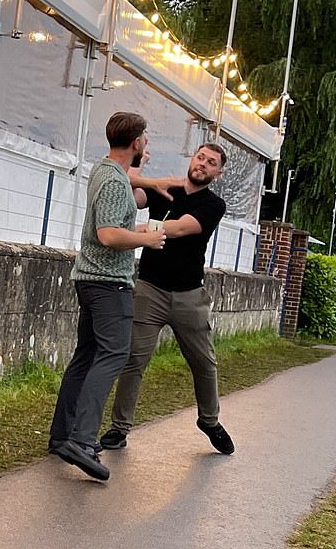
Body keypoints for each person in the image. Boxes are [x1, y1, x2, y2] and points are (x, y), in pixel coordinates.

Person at [48, 112, 181, 481]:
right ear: (136, 141)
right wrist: (147, 239)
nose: (147, 146)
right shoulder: (111, 178)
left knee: (87, 356)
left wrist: (139, 219)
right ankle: (82, 440)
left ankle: (62, 437)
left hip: (94, 282)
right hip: (108, 283)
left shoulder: (111, 173)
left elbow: (130, 203)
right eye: (146, 140)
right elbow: (107, 234)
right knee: (112, 356)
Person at [99, 143, 235, 455]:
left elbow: (181, 228)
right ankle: (119, 429)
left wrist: (139, 231)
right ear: (193, 159)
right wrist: (140, 165)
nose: (203, 164)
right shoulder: (165, 188)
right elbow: (132, 194)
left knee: (204, 362)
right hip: (150, 290)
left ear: (218, 173)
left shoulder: (214, 205)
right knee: (134, 359)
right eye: (200, 157)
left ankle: (210, 421)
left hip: (189, 296)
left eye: (211, 162)